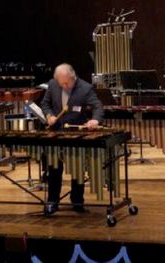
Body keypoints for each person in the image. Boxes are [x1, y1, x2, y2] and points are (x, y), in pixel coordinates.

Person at [40, 63, 104, 214]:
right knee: (54, 170)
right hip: (56, 134)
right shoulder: (52, 85)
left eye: (67, 82)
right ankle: (53, 201)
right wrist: (49, 115)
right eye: (62, 83)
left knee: (77, 171)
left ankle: (77, 201)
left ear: (73, 76)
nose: (65, 85)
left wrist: (95, 120)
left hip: (76, 135)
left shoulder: (85, 88)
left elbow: (98, 107)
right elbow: (45, 104)